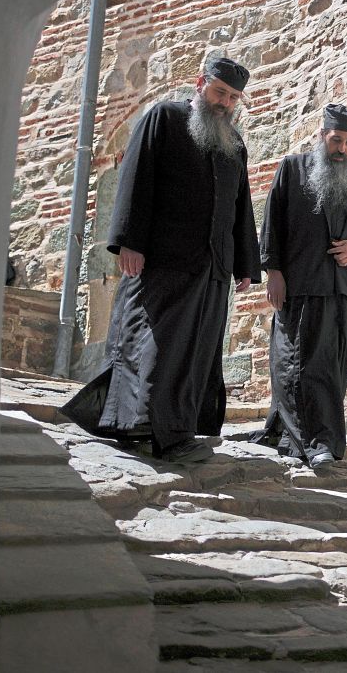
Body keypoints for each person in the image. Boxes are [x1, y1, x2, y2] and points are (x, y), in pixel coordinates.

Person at [62, 57, 261, 463]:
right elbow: (136, 177)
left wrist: (245, 263)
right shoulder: (164, 118)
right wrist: (128, 242)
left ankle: (170, 429)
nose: (225, 103)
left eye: (233, 98)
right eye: (220, 92)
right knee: (156, 346)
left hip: (212, 267)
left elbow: (240, 207)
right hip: (163, 260)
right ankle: (156, 431)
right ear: (200, 83)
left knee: (196, 351)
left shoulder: (234, 143)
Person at [255, 103, 347, 466]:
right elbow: (272, 224)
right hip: (304, 285)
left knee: (334, 370)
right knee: (302, 366)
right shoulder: (293, 168)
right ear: (322, 135)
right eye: (336, 140)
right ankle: (318, 444)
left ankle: (296, 434)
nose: (342, 148)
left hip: (346, 293)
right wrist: (273, 272)